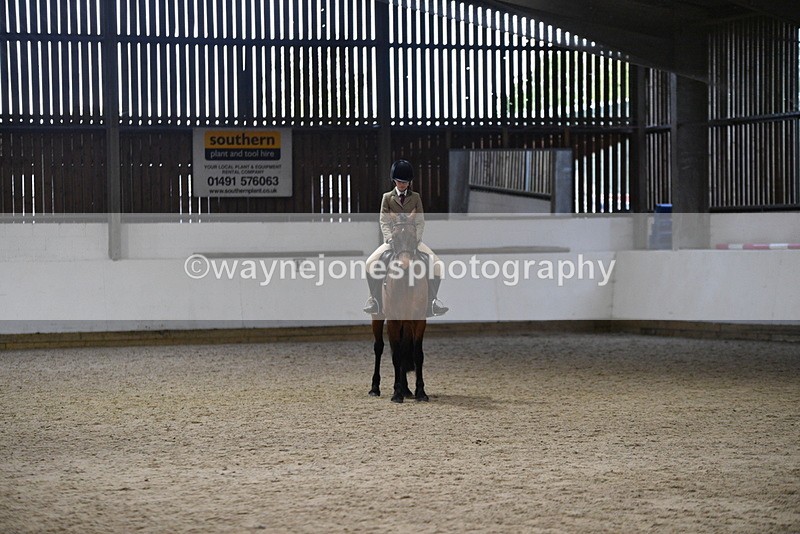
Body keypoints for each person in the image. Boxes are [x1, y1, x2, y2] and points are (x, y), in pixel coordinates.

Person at [363, 159, 449, 317]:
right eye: (400, 181)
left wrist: (416, 239)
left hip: (411, 241)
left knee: (438, 265)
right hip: (393, 241)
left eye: (406, 182)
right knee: (370, 263)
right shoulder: (387, 198)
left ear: (410, 182)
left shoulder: (415, 197)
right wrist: (389, 238)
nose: (403, 185)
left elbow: (420, 221)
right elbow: (383, 220)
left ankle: (432, 302)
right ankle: (374, 300)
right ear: (394, 181)